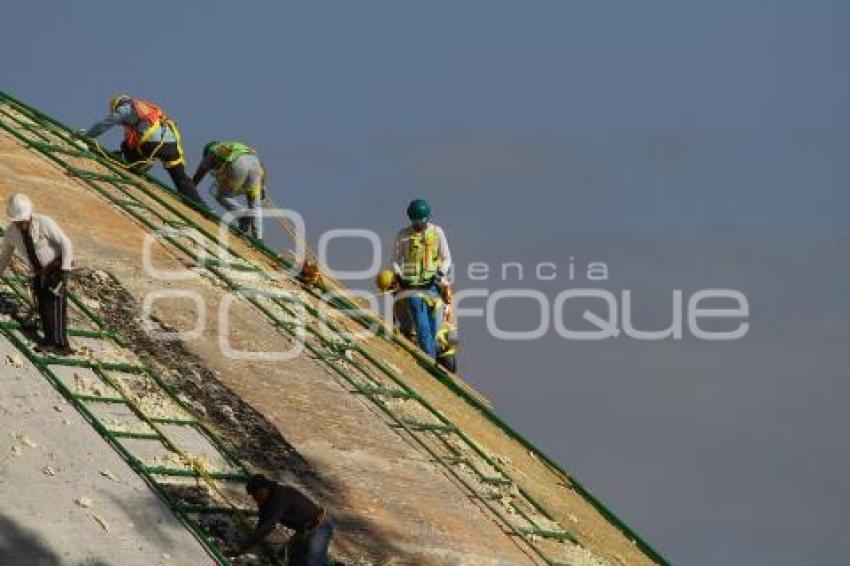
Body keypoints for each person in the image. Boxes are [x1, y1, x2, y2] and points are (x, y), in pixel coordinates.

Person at [82, 94, 203, 204]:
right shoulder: (149, 108)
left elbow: (105, 123)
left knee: (125, 145)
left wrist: (86, 137)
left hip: (151, 144)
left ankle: (131, 165)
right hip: (172, 146)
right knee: (180, 177)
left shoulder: (127, 108)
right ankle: (199, 204)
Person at [0, 194, 74, 354]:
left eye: (23, 221)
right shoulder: (11, 233)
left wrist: (66, 269)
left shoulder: (44, 222)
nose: (21, 225)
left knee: (55, 301)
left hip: (56, 266)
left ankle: (61, 344)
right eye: (18, 222)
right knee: (43, 304)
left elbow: (66, 242)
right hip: (39, 272)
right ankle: (49, 341)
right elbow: (4, 257)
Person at [391, 199, 452, 360]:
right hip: (413, 287)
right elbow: (395, 260)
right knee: (422, 327)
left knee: (436, 328)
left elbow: (446, 258)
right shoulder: (402, 235)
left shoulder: (437, 232)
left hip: (433, 287)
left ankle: (439, 357)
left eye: (422, 220)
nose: (419, 224)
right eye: (416, 221)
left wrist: (441, 273)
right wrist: (399, 276)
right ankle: (430, 361)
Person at [227, 474, 333, 565]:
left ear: (264, 488)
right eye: (253, 496)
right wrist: (245, 546)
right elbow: (263, 525)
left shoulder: (278, 497)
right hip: (306, 530)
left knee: (312, 562)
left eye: (256, 494)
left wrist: (241, 548)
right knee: (294, 559)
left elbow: (267, 526)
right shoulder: (266, 500)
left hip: (320, 527)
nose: (255, 498)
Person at [192, 141, 266, 240]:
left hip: (239, 164)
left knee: (222, 195)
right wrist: (262, 186)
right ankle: (258, 238)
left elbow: (201, 171)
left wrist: (190, 187)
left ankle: (243, 216)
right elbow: (262, 165)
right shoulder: (235, 147)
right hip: (257, 167)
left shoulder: (212, 151)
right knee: (255, 204)